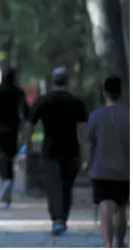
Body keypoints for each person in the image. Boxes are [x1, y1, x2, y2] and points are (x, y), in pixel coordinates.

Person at [24, 67, 88, 236]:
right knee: (67, 186)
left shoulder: (43, 101)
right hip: (71, 150)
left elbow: (30, 126)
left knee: (53, 186)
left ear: (53, 81)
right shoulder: (76, 102)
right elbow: (82, 131)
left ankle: (56, 220)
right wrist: (86, 154)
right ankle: (63, 218)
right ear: (68, 81)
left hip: (50, 150)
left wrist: (27, 147)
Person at [87, 75, 129, 248]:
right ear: (122, 92)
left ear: (105, 93)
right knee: (121, 207)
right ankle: (120, 242)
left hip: (101, 169)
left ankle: (107, 243)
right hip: (125, 170)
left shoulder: (96, 116)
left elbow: (90, 141)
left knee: (105, 205)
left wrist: (88, 163)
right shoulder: (128, 115)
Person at [0, 67, 29, 208]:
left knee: (0, 156)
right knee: (10, 157)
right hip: (13, 128)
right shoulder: (18, 92)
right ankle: (9, 181)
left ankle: (4, 180)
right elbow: (25, 110)